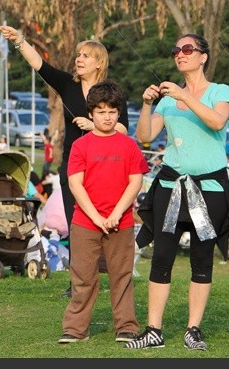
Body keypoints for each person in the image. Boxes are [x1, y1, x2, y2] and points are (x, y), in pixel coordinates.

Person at [0, 23, 129, 298]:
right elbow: (40, 65)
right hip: (74, 164)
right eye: (78, 54)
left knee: (104, 223)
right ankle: (78, 284)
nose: (78, 59)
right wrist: (20, 40)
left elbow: (124, 129)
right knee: (77, 225)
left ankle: (112, 277)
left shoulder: (111, 92)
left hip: (104, 166)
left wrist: (95, 126)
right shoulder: (68, 85)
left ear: (99, 63)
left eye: (85, 56)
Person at [128, 33, 229, 351]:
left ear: (203, 56)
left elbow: (217, 121)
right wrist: (147, 105)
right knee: (161, 257)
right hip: (171, 187)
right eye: (176, 49)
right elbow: (145, 137)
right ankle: (153, 330)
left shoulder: (219, 91)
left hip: (209, 189)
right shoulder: (167, 99)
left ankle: (193, 329)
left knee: (202, 259)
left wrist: (185, 97)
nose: (180, 54)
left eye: (188, 49)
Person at [57, 80, 147, 344]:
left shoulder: (129, 145)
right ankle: (75, 329)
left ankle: (126, 326)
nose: (107, 117)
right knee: (83, 277)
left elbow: (136, 181)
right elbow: (75, 183)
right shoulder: (81, 146)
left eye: (112, 112)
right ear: (91, 113)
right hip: (85, 223)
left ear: (119, 113)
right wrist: (96, 217)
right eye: (101, 112)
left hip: (122, 221)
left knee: (121, 276)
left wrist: (116, 214)